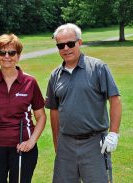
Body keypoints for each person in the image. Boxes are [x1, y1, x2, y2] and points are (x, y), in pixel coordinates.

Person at [45, 23, 122, 183]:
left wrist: (113, 133)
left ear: (79, 42)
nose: (66, 48)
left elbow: (115, 100)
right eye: (61, 45)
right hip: (66, 144)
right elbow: (54, 111)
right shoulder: (55, 75)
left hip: (94, 143)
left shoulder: (98, 68)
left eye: (70, 43)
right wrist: (57, 143)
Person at [0, 33, 46, 183]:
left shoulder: (30, 82)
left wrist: (32, 141)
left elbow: (41, 117)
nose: (7, 56)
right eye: (2, 52)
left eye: (12, 52)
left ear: (18, 56)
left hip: (23, 146)